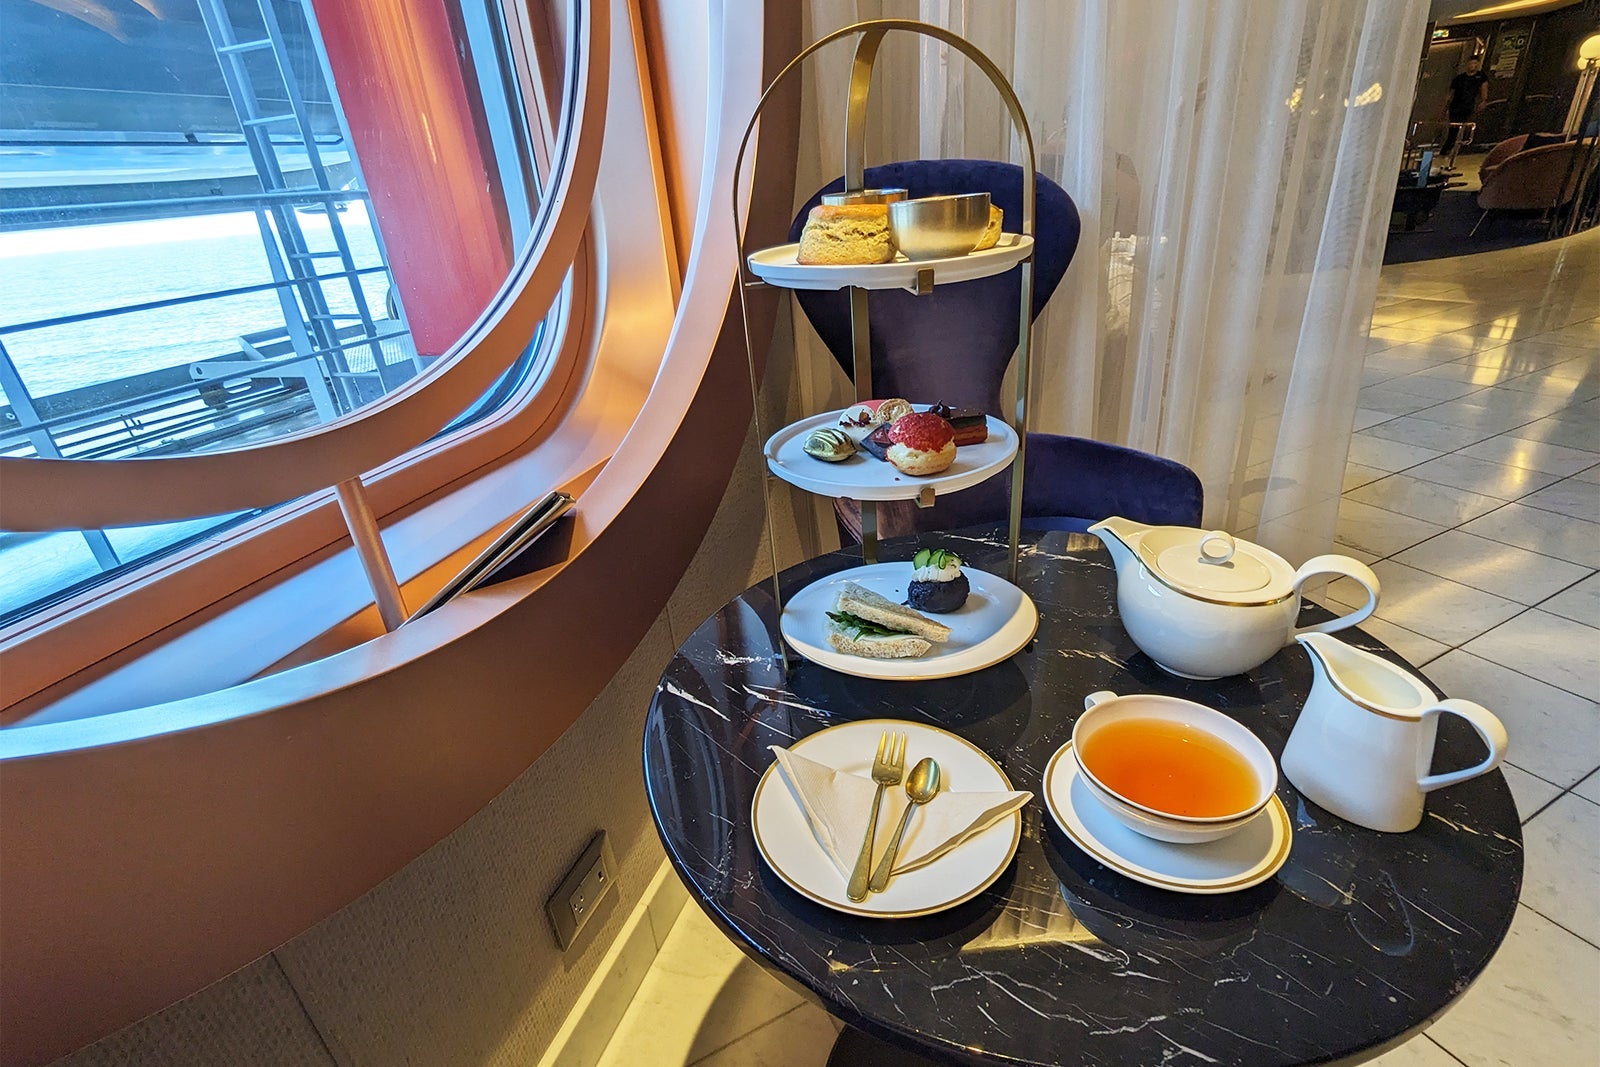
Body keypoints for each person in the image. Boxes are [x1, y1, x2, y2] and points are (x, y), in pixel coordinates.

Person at [1441, 56, 1489, 157]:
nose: (1473, 66)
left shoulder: (1481, 77)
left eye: (1475, 63)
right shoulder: (1459, 79)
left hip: (1469, 106)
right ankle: (1447, 150)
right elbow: (1450, 94)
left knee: (1465, 129)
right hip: (1456, 106)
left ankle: (1459, 149)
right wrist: (1444, 107)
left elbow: (1484, 89)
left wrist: (1483, 101)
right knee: (1453, 130)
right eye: (1471, 63)